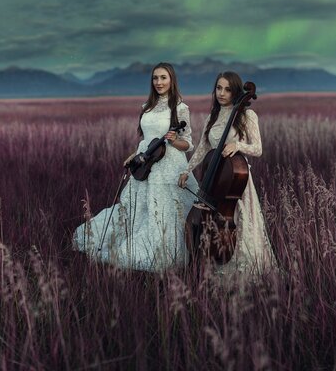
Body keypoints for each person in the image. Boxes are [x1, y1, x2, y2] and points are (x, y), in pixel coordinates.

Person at [74, 63, 198, 272]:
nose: (159, 82)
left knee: (164, 211)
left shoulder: (180, 108)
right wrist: (135, 156)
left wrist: (174, 140)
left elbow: (188, 144)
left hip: (169, 165)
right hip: (147, 164)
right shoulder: (146, 107)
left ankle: (162, 253)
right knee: (135, 210)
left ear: (172, 80)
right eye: (155, 78)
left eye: (163, 78)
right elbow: (146, 141)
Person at [178, 71, 277, 277]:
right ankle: (211, 262)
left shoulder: (247, 115)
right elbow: (203, 149)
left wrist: (237, 145)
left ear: (236, 91)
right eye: (218, 88)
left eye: (228, 89)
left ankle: (241, 270)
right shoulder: (212, 117)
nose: (222, 93)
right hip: (215, 182)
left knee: (238, 225)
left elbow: (258, 149)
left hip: (235, 181)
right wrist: (187, 170)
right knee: (212, 222)